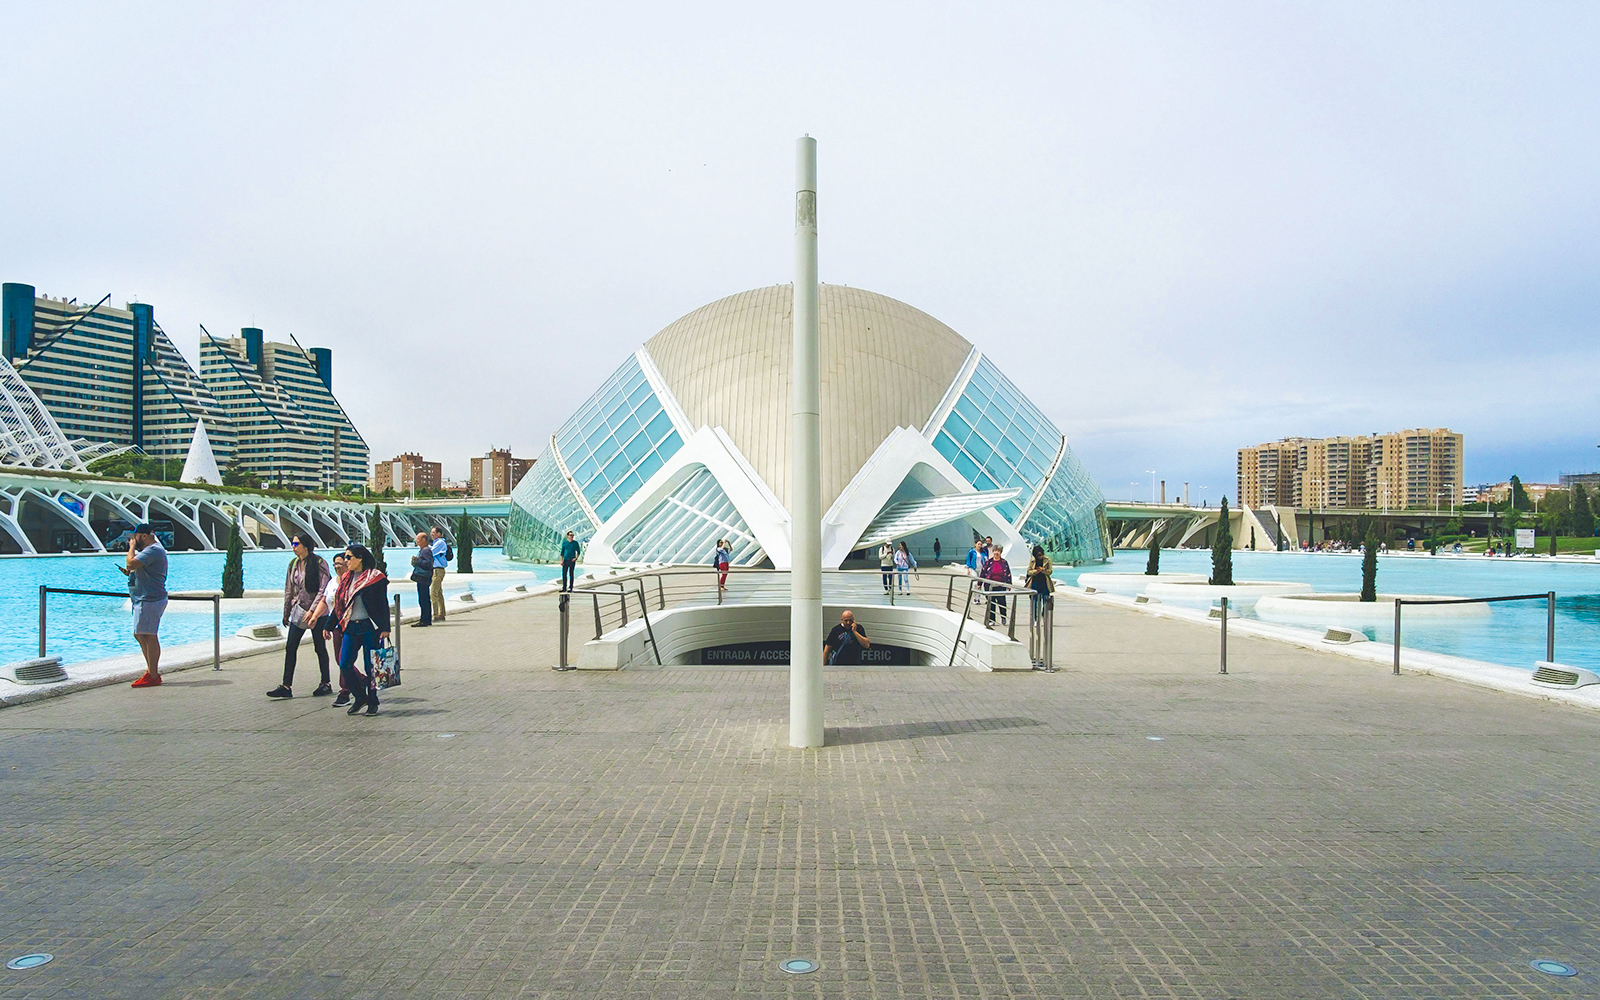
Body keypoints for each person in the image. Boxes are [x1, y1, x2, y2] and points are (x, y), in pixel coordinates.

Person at [325, 543, 389, 716]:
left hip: (370, 627)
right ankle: (360, 697)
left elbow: (383, 603)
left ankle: (373, 702)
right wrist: (328, 626)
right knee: (345, 663)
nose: (346, 561)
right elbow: (339, 605)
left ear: (360, 558)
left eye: (349, 557)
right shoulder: (346, 579)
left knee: (371, 667)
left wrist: (385, 627)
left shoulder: (375, 578)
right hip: (350, 627)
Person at [268, 534, 332, 699]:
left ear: (306, 545)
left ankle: (326, 683)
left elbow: (323, 590)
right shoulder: (294, 564)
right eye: (292, 543)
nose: (293, 546)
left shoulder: (319, 563)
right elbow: (289, 589)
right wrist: (286, 611)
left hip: (318, 613)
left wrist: (313, 611)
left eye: (296, 543)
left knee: (319, 647)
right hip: (299, 611)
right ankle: (286, 686)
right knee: (290, 647)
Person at [121, 523, 168, 688]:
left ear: (144, 536)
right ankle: (151, 672)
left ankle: (153, 675)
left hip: (150, 599)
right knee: (140, 634)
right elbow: (134, 568)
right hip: (143, 599)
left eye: (136, 537)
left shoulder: (153, 550)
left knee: (149, 635)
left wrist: (131, 548)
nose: (133, 540)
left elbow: (130, 563)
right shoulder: (150, 551)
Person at [982, 543, 1013, 628]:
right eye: (995, 551)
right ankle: (992, 620)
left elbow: (1008, 573)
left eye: (998, 551)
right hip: (990, 585)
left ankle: (1003, 617)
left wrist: (1009, 584)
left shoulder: (1004, 562)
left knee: (1002, 602)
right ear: (993, 552)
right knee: (991, 603)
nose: (996, 552)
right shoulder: (989, 562)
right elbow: (983, 572)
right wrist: (979, 583)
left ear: (1001, 552)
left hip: (1001, 585)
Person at [409, 532, 434, 627]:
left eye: (418, 539)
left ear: (424, 540)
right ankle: (426, 619)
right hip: (423, 578)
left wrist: (417, 560)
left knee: (423, 599)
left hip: (423, 578)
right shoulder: (423, 550)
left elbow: (428, 564)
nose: (416, 541)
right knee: (424, 599)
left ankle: (424, 620)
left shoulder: (426, 550)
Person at [1025, 544, 1054, 619]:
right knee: (1035, 602)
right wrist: (1035, 571)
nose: (1040, 556)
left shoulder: (1047, 560)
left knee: (1046, 601)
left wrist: (1043, 570)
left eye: (1041, 554)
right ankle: (1035, 619)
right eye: (1038, 555)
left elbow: (1050, 571)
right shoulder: (1032, 560)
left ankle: (1044, 615)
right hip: (1035, 583)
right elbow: (1028, 571)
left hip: (1045, 583)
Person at [429, 526, 449, 622]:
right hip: (436, 570)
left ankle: (436, 615)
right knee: (439, 592)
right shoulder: (436, 543)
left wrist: (424, 547)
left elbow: (431, 552)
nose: (432, 534)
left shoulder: (440, 543)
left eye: (434, 532)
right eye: (431, 532)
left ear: (439, 534)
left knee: (433, 592)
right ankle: (442, 613)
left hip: (438, 570)